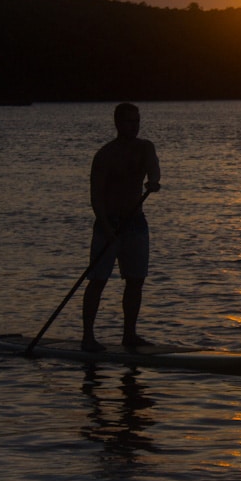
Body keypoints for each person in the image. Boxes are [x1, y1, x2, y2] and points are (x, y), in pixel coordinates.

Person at [82, 102, 161, 352]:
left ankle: (130, 335)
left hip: (135, 224)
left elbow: (153, 168)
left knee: (136, 280)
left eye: (137, 121)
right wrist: (107, 229)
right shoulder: (105, 155)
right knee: (98, 281)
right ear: (118, 124)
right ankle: (88, 337)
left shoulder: (145, 148)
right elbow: (96, 198)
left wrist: (153, 181)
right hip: (108, 225)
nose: (134, 126)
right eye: (129, 122)